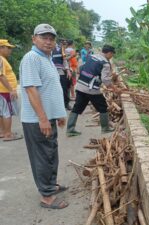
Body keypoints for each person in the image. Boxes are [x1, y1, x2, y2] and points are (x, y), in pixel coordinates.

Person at [19, 24, 68, 209]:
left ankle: (51, 185)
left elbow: (50, 88)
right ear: (34, 39)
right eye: (44, 37)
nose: (48, 41)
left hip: (48, 118)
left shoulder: (46, 58)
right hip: (37, 120)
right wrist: (42, 118)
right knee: (42, 156)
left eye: (51, 38)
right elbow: (31, 90)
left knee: (51, 153)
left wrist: (59, 114)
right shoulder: (31, 58)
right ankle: (46, 197)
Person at [66, 44, 118, 137]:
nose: (112, 57)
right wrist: (114, 88)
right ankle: (105, 128)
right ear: (109, 53)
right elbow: (105, 80)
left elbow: (81, 68)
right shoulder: (105, 63)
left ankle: (70, 129)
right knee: (103, 107)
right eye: (112, 54)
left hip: (81, 86)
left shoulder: (91, 56)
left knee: (77, 108)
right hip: (92, 89)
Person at [0, 39, 23, 141]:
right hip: (4, 91)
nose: (10, 50)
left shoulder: (3, 59)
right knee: (7, 112)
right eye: (8, 48)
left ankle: (3, 132)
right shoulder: (0, 59)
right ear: (1, 48)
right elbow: (1, 76)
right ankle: (8, 134)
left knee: (3, 112)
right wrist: (11, 90)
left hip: (3, 90)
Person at [52, 39, 72, 110]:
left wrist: (68, 70)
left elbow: (64, 60)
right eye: (63, 43)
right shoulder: (48, 50)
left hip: (61, 72)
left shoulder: (62, 50)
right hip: (51, 72)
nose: (64, 44)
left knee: (64, 88)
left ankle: (66, 104)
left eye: (65, 43)